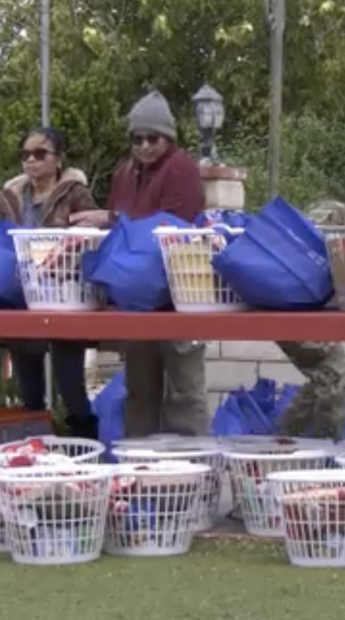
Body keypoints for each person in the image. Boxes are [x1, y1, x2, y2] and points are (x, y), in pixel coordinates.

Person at [103, 90, 209, 438]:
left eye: (153, 138)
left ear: (169, 137)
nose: (145, 145)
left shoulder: (182, 168)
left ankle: (192, 474)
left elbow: (175, 227)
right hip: (138, 298)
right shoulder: (125, 173)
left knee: (184, 392)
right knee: (139, 391)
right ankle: (140, 473)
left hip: (181, 294)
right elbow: (121, 226)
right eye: (137, 138)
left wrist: (118, 222)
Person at [0, 127, 106, 440]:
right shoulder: (10, 198)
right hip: (25, 295)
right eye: (25, 154)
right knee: (27, 379)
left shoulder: (75, 193)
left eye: (40, 153)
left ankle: (83, 446)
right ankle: (35, 445)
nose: (31, 160)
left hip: (67, 292)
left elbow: (91, 237)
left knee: (69, 378)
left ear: (58, 159)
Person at [276, 184, 345, 440]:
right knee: (337, 376)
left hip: (304, 307)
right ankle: (329, 449)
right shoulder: (333, 221)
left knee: (326, 378)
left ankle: (284, 438)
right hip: (293, 304)